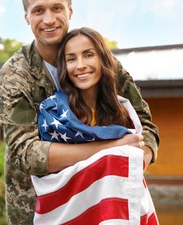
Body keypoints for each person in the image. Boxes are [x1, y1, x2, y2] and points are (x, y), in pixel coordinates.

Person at [0, 0, 160, 224]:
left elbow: (146, 127)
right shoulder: (16, 75)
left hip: (104, 206)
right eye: (38, 10)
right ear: (27, 16)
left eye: (56, 8)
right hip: (40, 209)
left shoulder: (102, 62)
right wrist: (109, 150)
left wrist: (135, 158)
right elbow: (25, 153)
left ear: (69, 10)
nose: (48, 19)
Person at [33, 27, 159, 224]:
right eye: (71, 59)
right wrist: (113, 152)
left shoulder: (122, 112)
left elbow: (135, 161)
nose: (80, 65)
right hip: (73, 212)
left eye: (89, 55)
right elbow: (50, 176)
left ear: (103, 59)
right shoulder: (54, 114)